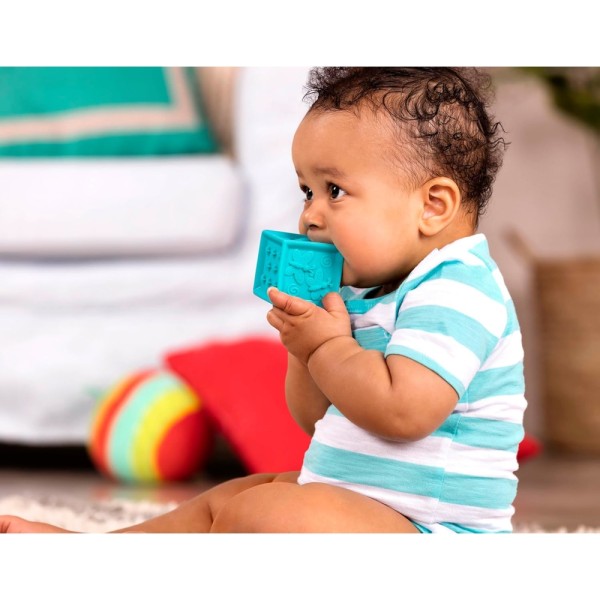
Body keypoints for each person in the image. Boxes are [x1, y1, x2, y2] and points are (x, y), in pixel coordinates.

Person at [0, 67, 526, 534]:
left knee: (263, 514)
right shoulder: (361, 290)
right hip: (365, 505)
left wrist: (327, 348)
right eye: (307, 191)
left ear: (433, 205)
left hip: (433, 530)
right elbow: (315, 419)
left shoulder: (457, 288)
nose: (310, 216)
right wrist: (303, 349)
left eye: (334, 191)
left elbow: (402, 412)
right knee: (232, 498)